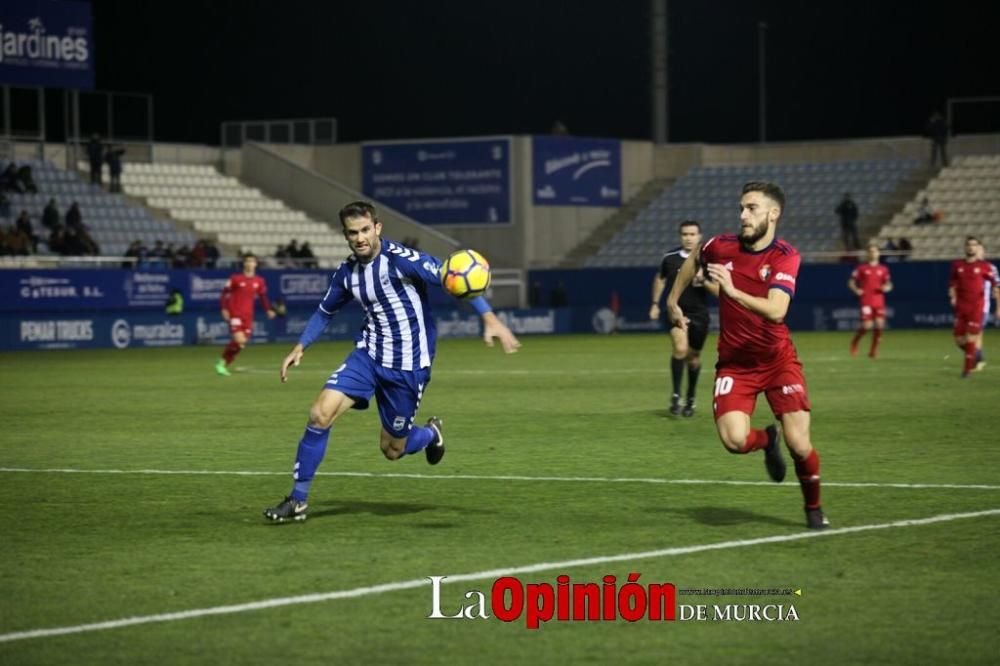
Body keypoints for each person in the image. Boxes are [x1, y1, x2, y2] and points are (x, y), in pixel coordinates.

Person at [263, 201, 521, 522]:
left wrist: (489, 317)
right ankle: (297, 500)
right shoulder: (347, 273)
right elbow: (325, 311)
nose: (360, 238)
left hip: (408, 366)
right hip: (368, 356)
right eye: (353, 232)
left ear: (378, 228)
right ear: (345, 235)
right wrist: (301, 346)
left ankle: (429, 435)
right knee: (319, 413)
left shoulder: (402, 261)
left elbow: (452, 275)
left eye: (365, 230)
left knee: (392, 450)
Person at [666, 181, 828, 530]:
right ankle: (767, 440)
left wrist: (731, 290)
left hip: (777, 361)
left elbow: (776, 311)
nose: (743, 215)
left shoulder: (785, 256)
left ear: (773, 214)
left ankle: (813, 508)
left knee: (800, 445)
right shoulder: (721, 246)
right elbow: (695, 258)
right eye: (741, 208)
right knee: (734, 441)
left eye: (751, 208)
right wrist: (672, 299)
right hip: (736, 365)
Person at [650, 220, 719, 417]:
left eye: (692, 234)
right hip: (676, 312)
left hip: (700, 315)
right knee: (680, 348)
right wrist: (655, 304)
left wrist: (703, 281)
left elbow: (719, 291)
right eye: (685, 235)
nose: (688, 238)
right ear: (680, 237)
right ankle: (675, 394)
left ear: (699, 236)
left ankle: (690, 397)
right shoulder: (670, 258)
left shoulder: (708, 261)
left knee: (694, 357)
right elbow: (660, 279)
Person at [216, 253, 276, 376]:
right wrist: (224, 309)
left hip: (248, 316)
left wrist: (268, 310)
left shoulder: (259, 281)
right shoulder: (235, 279)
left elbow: (263, 297)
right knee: (239, 340)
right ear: (244, 263)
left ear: (255, 264)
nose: (250, 264)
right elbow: (224, 294)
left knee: (241, 344)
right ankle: (221, 363)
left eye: (252, 261)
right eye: (247, 261)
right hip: (235, 314)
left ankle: (223, 364)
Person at [948, 236, 999, 377]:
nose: (971, 247)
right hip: (961, 307)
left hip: (977, 307)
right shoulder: (957, 265)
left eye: (974, 245)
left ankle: (967, 370)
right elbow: (952, 283)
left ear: (977, 248)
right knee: (958, 339)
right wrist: (952, 295)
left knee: (972, 337)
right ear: (965, 247)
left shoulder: (985, 266)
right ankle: (975, 357)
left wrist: (997, 302)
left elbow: (995, 284)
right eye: (969, 245)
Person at [848, 244, 893, 358]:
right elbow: (851, 282)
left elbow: (888, 283)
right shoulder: (861, 268)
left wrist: (887, 287)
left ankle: (873, 351)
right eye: (871, 251)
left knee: (879, 325)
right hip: (866, 300)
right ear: (868, 254)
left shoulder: (883, 269)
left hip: (879, 301)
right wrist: (856, 290)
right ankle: (855, 342)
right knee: (867, 326)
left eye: (875, 251)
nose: (873, 253)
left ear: (878, 253)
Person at [972, 242, 999, 371]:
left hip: (983, 307)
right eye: (975, 249)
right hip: (969, 307)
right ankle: (978, 359)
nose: (977, 251)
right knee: (975, 335)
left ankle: (978, 360)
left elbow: (997, 289)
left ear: (983, 252)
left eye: (979, 249)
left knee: (975, 334)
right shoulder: (968, 267)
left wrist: (999, 307)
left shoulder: (990, 268)